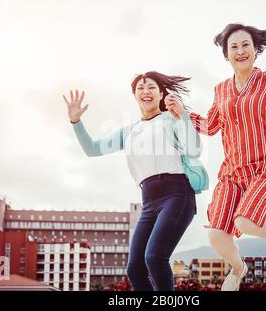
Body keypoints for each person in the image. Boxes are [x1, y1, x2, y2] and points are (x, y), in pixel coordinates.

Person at [166, 23, 266, 290]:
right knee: (217, 235)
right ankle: (238, 268)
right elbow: (211, 126)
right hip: (233, 171)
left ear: (255, 50)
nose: (240, 51)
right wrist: (183, 113)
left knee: (246, 221)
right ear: (226, 54)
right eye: (234, 47)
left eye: (246, 45)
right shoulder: (221, 90)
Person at [62, 71, 206, 291]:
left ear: (160, 94)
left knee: (155, 257)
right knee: (135, 269)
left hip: (177, 194)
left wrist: (183, 116)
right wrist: (75, 121)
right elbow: (92, 149)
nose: (146, 91)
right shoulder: (128, 132)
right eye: (140, 88)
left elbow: (195, 148)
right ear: (134, 95)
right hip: (149, 201)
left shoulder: (171, 119)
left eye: (151, 87)